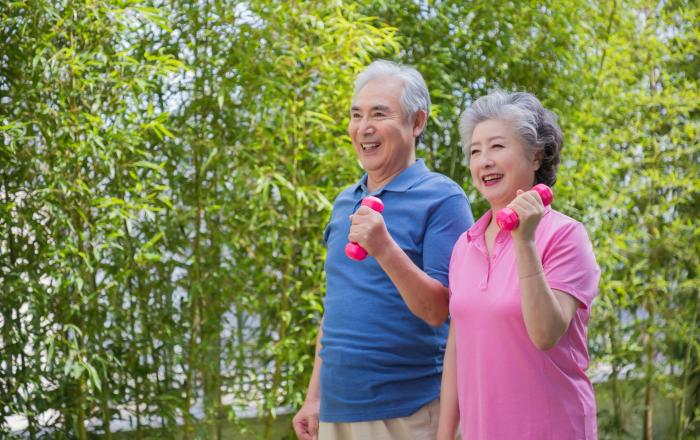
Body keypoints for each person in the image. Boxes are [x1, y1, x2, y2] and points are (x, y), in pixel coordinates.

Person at [292, 60, 474, 440]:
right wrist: (314, 396)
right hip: (336, 411)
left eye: (379, 114)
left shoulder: (443, 199)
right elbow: (336, 305)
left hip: (407, 412)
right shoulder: (345, 201)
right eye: (356, 115)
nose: (364, 127)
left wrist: (384, 248)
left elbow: (439, 310)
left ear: (417, 122)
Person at [437, 91, 600, 439]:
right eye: (475, 151)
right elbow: (458, 345)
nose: (484, 161)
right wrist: (445, 433)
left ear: (536, 156)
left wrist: (524, 242)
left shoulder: (566, 236)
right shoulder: (464, 246)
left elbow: (545, 334)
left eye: (497, 146)